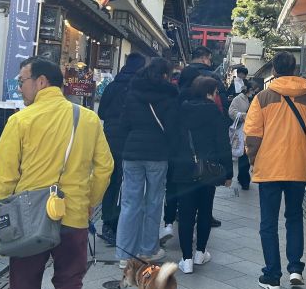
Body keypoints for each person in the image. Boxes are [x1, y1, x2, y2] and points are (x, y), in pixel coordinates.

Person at [0, 57, 113, 289]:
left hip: (29, 222)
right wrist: (89, 200)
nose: (20, 87)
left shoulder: (21, 121)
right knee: (69, 287)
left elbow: (3, 177)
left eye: (22, 81)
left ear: (41, 82)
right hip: (74, 217)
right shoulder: (87, 119)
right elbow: (105, 167)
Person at [245, 51, 306, 289]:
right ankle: (296, 269)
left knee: (268, 222)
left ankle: (272, 276)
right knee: (294, 218)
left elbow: (252, 135)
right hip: (297, 167)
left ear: (274, 71)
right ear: (295, 69)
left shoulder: (262, 97)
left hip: (269, 167)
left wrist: (251, 159)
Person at [116, 57, 179, 266]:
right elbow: (172, 128)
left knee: (129, 203)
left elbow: (123, 124)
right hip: (157, 154)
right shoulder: (169, 95)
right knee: (153, 202)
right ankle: (148, 249)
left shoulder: (133, 92)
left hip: (132, 153)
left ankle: (125, 254)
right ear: (165, 75)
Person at [171, 76, 233, 274]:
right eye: (215, 93)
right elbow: (223, 143)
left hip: (183, 168)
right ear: (209, 92)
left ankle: (186, 259)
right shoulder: (214, 112)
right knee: (205, 211)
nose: (216, 96)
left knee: (186, 213)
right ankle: (200, 253)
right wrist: (228, 172)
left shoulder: (181, 110)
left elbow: (172, 139)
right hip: (208, 169)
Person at [96, 53, 145, 246]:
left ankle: (108, 222)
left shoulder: (113, 85)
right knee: (130, 181)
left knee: (112, 179)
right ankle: (124, 225)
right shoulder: (140, 88)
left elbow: (101, 112)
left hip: (110, 138)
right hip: (131, 139)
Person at [176, 45, 227, 228]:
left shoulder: (183, 74)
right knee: (206, 176)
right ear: (206, 58)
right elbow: (222, 102)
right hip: (208, 132)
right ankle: (206, 214)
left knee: (185, 179)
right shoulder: (212, 76)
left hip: (185, 131)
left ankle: (181, 212)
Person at [228, 81, 256, 190]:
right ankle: (244, 180)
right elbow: (231, 111)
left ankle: (242, 177)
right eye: (253, 90)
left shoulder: (256, 98)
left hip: (253, 131)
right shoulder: (238, 99)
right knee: (244, 155)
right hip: (242, 130)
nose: (254, 92)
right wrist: (242, 115)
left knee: (247, 155)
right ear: (248, 90)